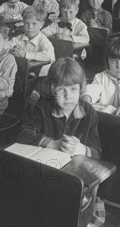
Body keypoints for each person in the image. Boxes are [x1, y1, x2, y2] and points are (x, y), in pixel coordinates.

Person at [17, 58, 103, 227]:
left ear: (81, 88)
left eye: (73, 89)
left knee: (79, 216)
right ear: (51, 88)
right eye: (60, 90)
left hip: (78, 182)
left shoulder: (89, 112)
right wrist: (52, 143)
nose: (67, 96)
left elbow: (97, 152)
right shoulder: (41, 107)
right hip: (45, 177)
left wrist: (82, 148)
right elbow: (22, 134)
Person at [9, 7, 55, 77]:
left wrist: (25, 54)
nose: (30, 27)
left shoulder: (43, 40)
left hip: (41, 76)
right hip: (26, 72)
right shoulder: (19, 38)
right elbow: (5, 47)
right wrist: (11, 51)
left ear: (41, 25)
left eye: (34, 23)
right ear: (23, 23)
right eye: (27, 23)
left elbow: (49, 56)